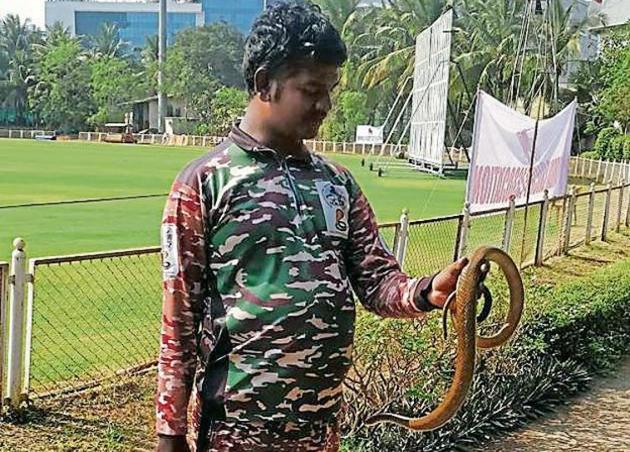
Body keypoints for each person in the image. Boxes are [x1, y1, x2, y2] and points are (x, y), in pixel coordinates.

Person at [156, 2, 467, 451]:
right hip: (237, 432)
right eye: (311, 89)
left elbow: (376, 279)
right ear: (265, 83)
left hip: (320, 430)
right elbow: (178, 319)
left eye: (330, 89)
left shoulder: (337, 182)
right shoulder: (204, 183)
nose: (325, 104)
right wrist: (170, 431)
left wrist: (427, 290)